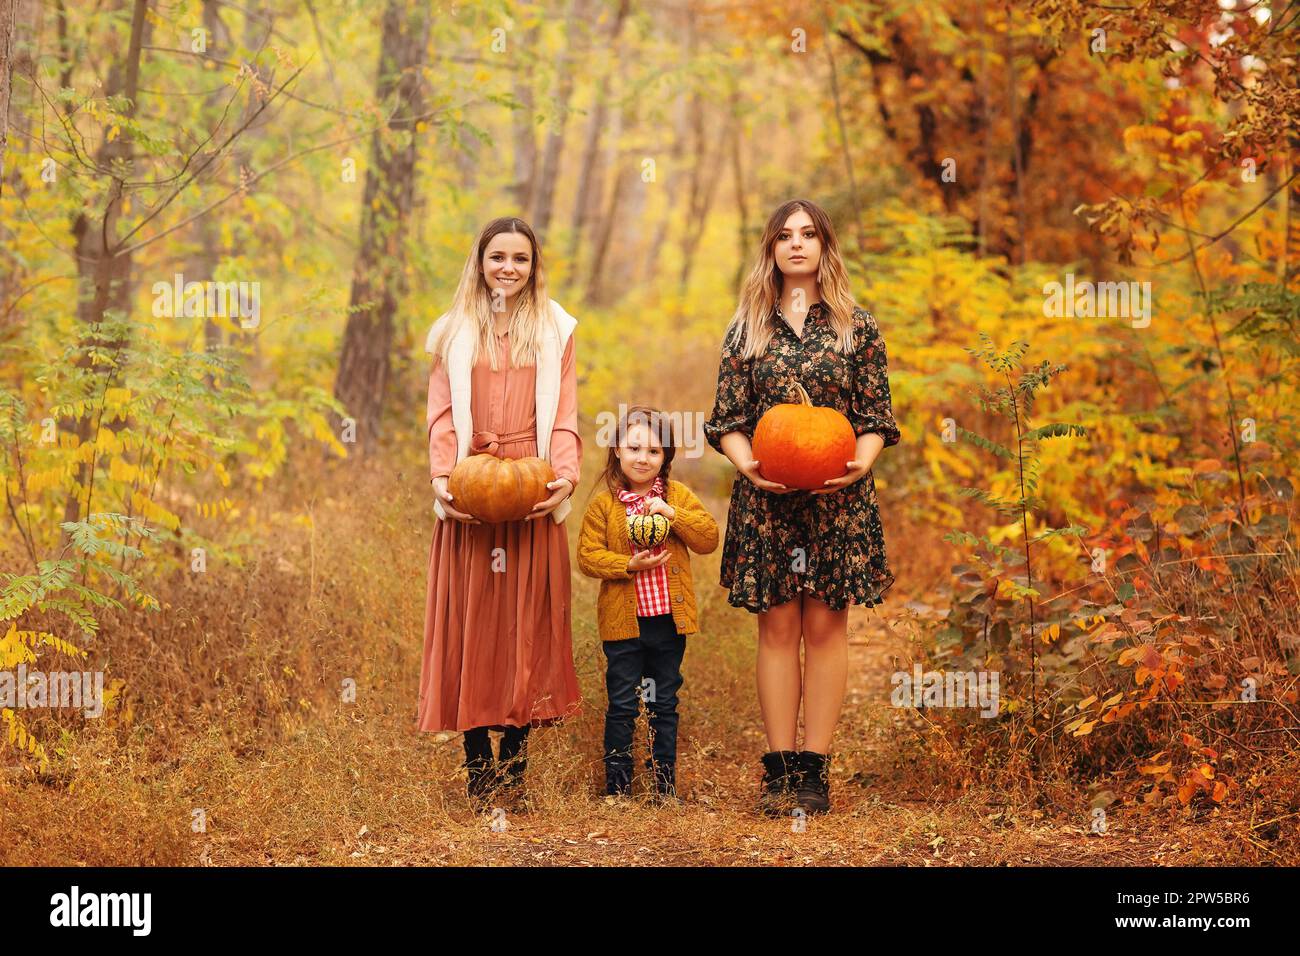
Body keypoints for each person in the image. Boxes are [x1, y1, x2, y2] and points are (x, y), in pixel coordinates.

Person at [703, 198, 901, 816]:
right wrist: (749, 467)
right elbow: (728, 421)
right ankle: (778, 766)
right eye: (784, 235)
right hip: (769, 501)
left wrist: (860, 464)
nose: (796, 245)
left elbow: (875, 419)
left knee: (825, 627)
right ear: (771, 248)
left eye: (808, 234)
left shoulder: (856, 327)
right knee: (778, 626)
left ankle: (814, 769)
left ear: (824, 247)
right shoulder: (747, 329)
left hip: (836, 503)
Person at [418, 216, 582, 813]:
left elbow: (564, 411)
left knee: (523, 622)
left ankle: (514, 757)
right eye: (497, 257)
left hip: (530, 482)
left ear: (534, 266)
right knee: (471, 620)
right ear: (480, 262)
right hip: (472, 484)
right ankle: (475, 762)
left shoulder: (555, 329)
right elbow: (441, 413)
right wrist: (442, 479)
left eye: (520, 258)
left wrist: (563, 477)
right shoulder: (454, 331)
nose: (507, 268)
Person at [577, 405, 719, 801]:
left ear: (665, 458)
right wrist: (627, 563)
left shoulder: (676, 497)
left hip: (668, 624)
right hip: (625, 625)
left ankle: (664, 787)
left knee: (663, 703)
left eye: (654, 452)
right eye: (635, 448)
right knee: (623, 704)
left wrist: (672, 515)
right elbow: (587, 556)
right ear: (618, 451)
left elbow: (708, 539)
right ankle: (618, 791)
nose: (643, 458)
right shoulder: (605, 505)